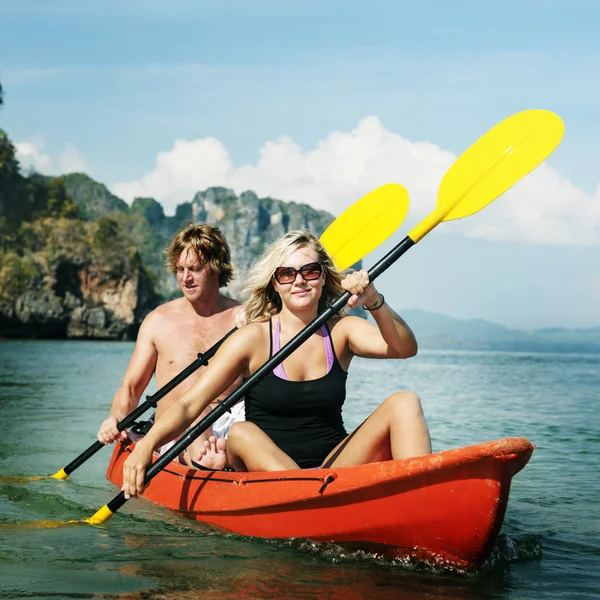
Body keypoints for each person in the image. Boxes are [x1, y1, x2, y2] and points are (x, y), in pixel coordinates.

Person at [121, 230, 432, 497]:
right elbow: (190, 405)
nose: (299, 281)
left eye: (310, 271)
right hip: (270, 475)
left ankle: (424, 499)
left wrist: (374, 300)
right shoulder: (253, 338)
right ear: (275, 283)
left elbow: (404, 348)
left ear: (323, 277)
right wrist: (147, 446)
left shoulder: (341, 331)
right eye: (287, 273)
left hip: (334, 469)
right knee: (242, 433)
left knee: (405, 402)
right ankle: (308, 499)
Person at [97, 223, 245, 470]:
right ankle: (207, 465)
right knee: (196, 411)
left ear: (217, 268)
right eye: (180, 269)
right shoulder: (158, 321)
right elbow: (132, 388)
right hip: (175, 433)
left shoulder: (243, 318)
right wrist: (116, 419)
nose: (186, 278)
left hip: (232, 429)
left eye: (195, 269)